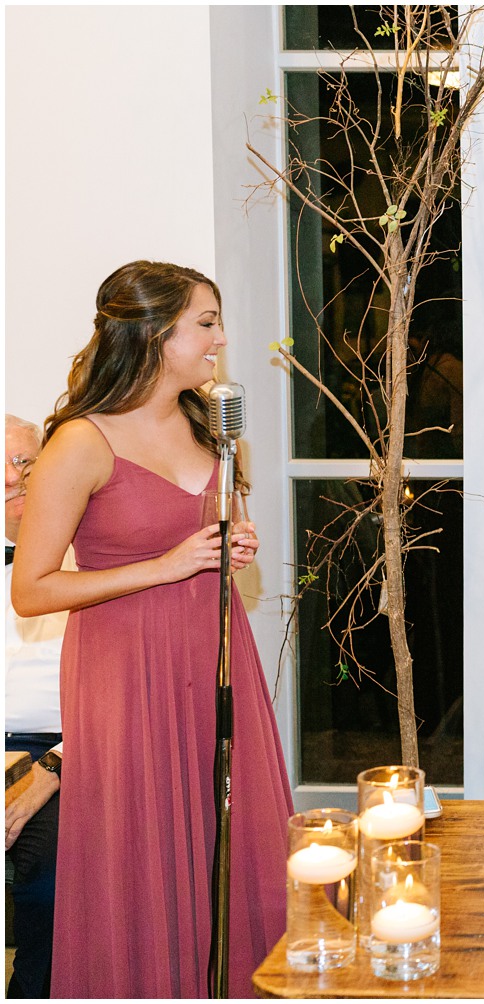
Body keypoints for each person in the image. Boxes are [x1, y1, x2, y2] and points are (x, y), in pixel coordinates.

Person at [10, 261, 294, 997]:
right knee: (147, 850)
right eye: (205, 323)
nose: (220, 338)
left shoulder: (211, 426)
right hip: (125, 671)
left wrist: (230, 546)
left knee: (229, 841)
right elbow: (32, 590)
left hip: (217, 654)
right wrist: (164, 567)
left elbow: (203, 539)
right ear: (154, 332)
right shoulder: (80, 441)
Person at [4, 415, 66, 998]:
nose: (12, 479)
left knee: (48, 883)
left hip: (54, 753)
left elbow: (111, 691)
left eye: (24, 462)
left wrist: (52, 770)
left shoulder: (86, 563)